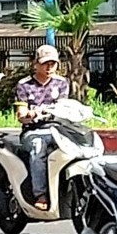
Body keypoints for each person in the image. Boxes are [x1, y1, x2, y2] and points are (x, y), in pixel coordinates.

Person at [13, 44, 70, 211]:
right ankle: (40, 194)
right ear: (35, 64)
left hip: (58, 129)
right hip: (34, 131)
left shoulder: (61, 83)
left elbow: (64, 106)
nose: (49, 67)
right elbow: (21, 114)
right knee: (39, 148)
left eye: (53, 63)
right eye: (45, 63)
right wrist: (27, 115)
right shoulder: (24, 85)